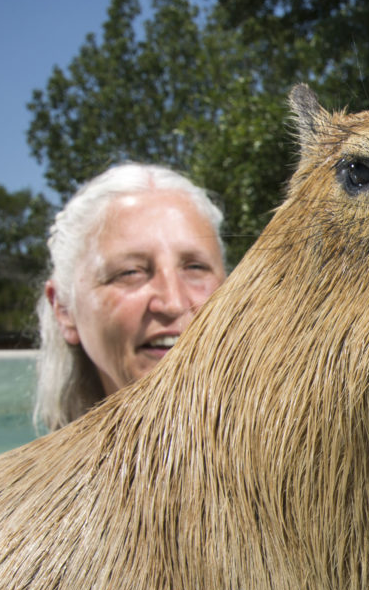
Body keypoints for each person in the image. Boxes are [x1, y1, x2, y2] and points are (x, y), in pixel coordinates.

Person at [33, 163, 226, 432]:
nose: (173, 302)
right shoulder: (36, 473)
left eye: (196, 267)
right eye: (130, 272)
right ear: (64, 309)